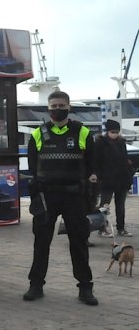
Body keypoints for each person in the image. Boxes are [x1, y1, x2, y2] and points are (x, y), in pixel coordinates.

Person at [24, 90, 98, 305]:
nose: (57, 110)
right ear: (48, 109)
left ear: (68, 107)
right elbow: (32, 166)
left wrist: (92, 180)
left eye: (61, 106)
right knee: (41, 242)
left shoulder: (82, 132)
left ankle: (85, 288)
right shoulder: (38, 134)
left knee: (79, 242)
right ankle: (35, 285)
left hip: (74, 195)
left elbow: (92, 164)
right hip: (47, 196)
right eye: (53, 106)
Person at [96, 119, 133, 237]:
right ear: (107, 131)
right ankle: (102, 228)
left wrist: (128, 177)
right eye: (113, 132)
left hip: (121, 180)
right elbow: (97, 162)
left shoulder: (121, 142)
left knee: (120, 206)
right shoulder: (100, 143)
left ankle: (121, 228)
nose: (115, 134)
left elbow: (125, 160)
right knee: (104, 206)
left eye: (117, 132)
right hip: (107, 180)